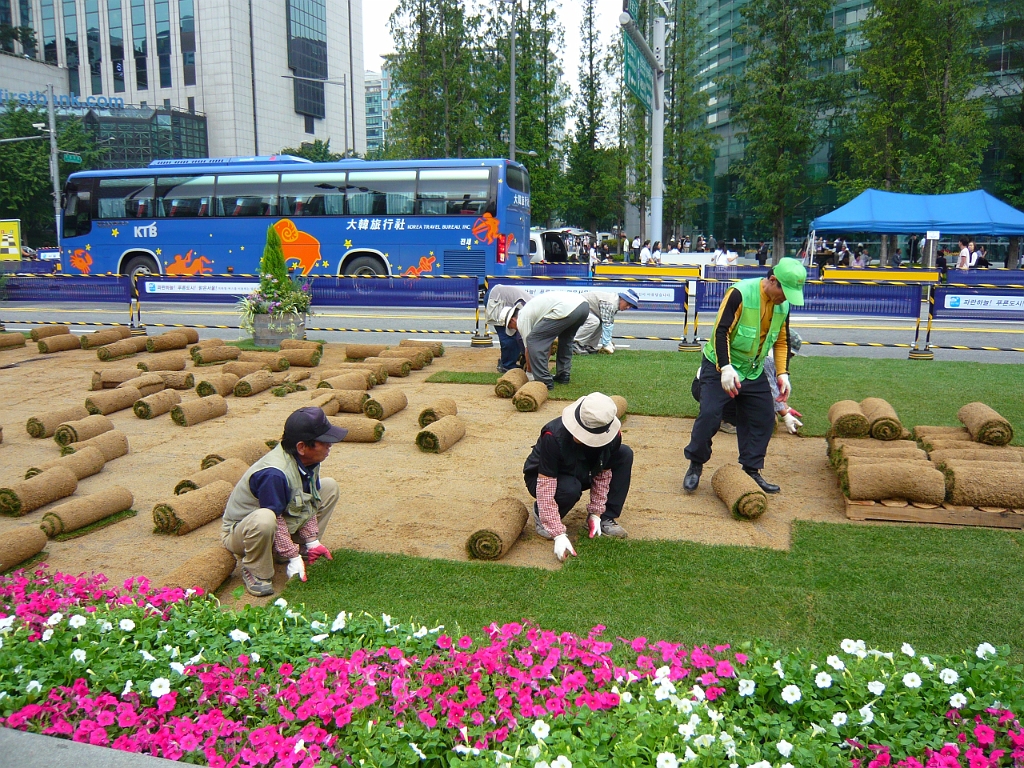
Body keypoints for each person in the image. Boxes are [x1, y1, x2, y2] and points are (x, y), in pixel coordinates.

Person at [682, 260, 807, 495]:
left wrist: (782, 373)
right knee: (709, 414)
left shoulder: (783, 306)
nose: (785, 298)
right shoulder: (740, 293)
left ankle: (751, 469)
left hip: (753, 370)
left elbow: (781, 341)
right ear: (772, 281)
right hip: (720, 366)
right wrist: (726, 367)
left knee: (763, 418)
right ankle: (695, 464)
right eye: (784, 292)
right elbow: (721, 331)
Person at [221, 407, 345, 597]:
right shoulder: (274, 474)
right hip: (242, 533)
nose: (330, 446)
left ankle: (294, 547)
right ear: (302, 447)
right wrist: (292, 556)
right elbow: (275, 518)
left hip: (276, 521)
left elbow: (308, 501)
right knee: (265, 518)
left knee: (329, 487)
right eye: (324, 442)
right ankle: (255, 568)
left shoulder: (308, 461)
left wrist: (312, 542)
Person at [524, 392, 634, 560]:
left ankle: (606, 518)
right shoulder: (552, 436)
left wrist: (597, 512)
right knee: (570, 488)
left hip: (584, 470)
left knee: (625, 454)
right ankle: (542, 515)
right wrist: (558, 533)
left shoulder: (613, 437)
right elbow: (545, 486)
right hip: (544, 478)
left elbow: (603, 474)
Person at [507, 291, 589, 390]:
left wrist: (529, 372)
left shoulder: (522, 319)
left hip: (566, 309)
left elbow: (530, 349)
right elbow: (547, 343)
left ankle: (544, 381)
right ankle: (563, 375)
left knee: (533, 340)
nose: (514, 330)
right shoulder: (532, 310)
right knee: (565, 340)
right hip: (583, 306)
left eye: (510, 327)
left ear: (512, 320)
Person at [573, 289, 640, 355]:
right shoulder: (610, 304)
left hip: (582, 308)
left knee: (600, 321)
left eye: (631, 306)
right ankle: (575, 345)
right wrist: (606, 345)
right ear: (622, 299)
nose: (628, 307)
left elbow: (607, 323)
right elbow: (607, 325)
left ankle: (588, 346)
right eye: (628, 303)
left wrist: (608, 343)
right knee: (594, 321)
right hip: (574, 307)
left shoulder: (615, 302)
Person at [485, 284, 532, 373]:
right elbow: (521, 336)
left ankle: (511, 360)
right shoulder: (529, 307)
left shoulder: (536, 307)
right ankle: (507, 365)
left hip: (506, 298)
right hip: (496, 298)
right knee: (509, 336)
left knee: (516, 334)